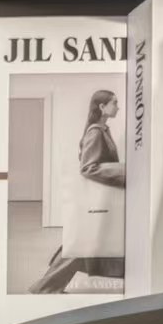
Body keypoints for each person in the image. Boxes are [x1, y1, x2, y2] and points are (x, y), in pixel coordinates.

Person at [29, 88, 126, 294]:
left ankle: (47, 288)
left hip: (101, 200)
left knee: (83, 244)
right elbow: (88, 168)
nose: (118, 107)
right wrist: (124, 171)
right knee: (80, 246)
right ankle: (44, 288)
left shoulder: (102, 130)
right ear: (102, 106)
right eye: (115, 103)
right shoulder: (95, 132)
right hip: (97, 201)